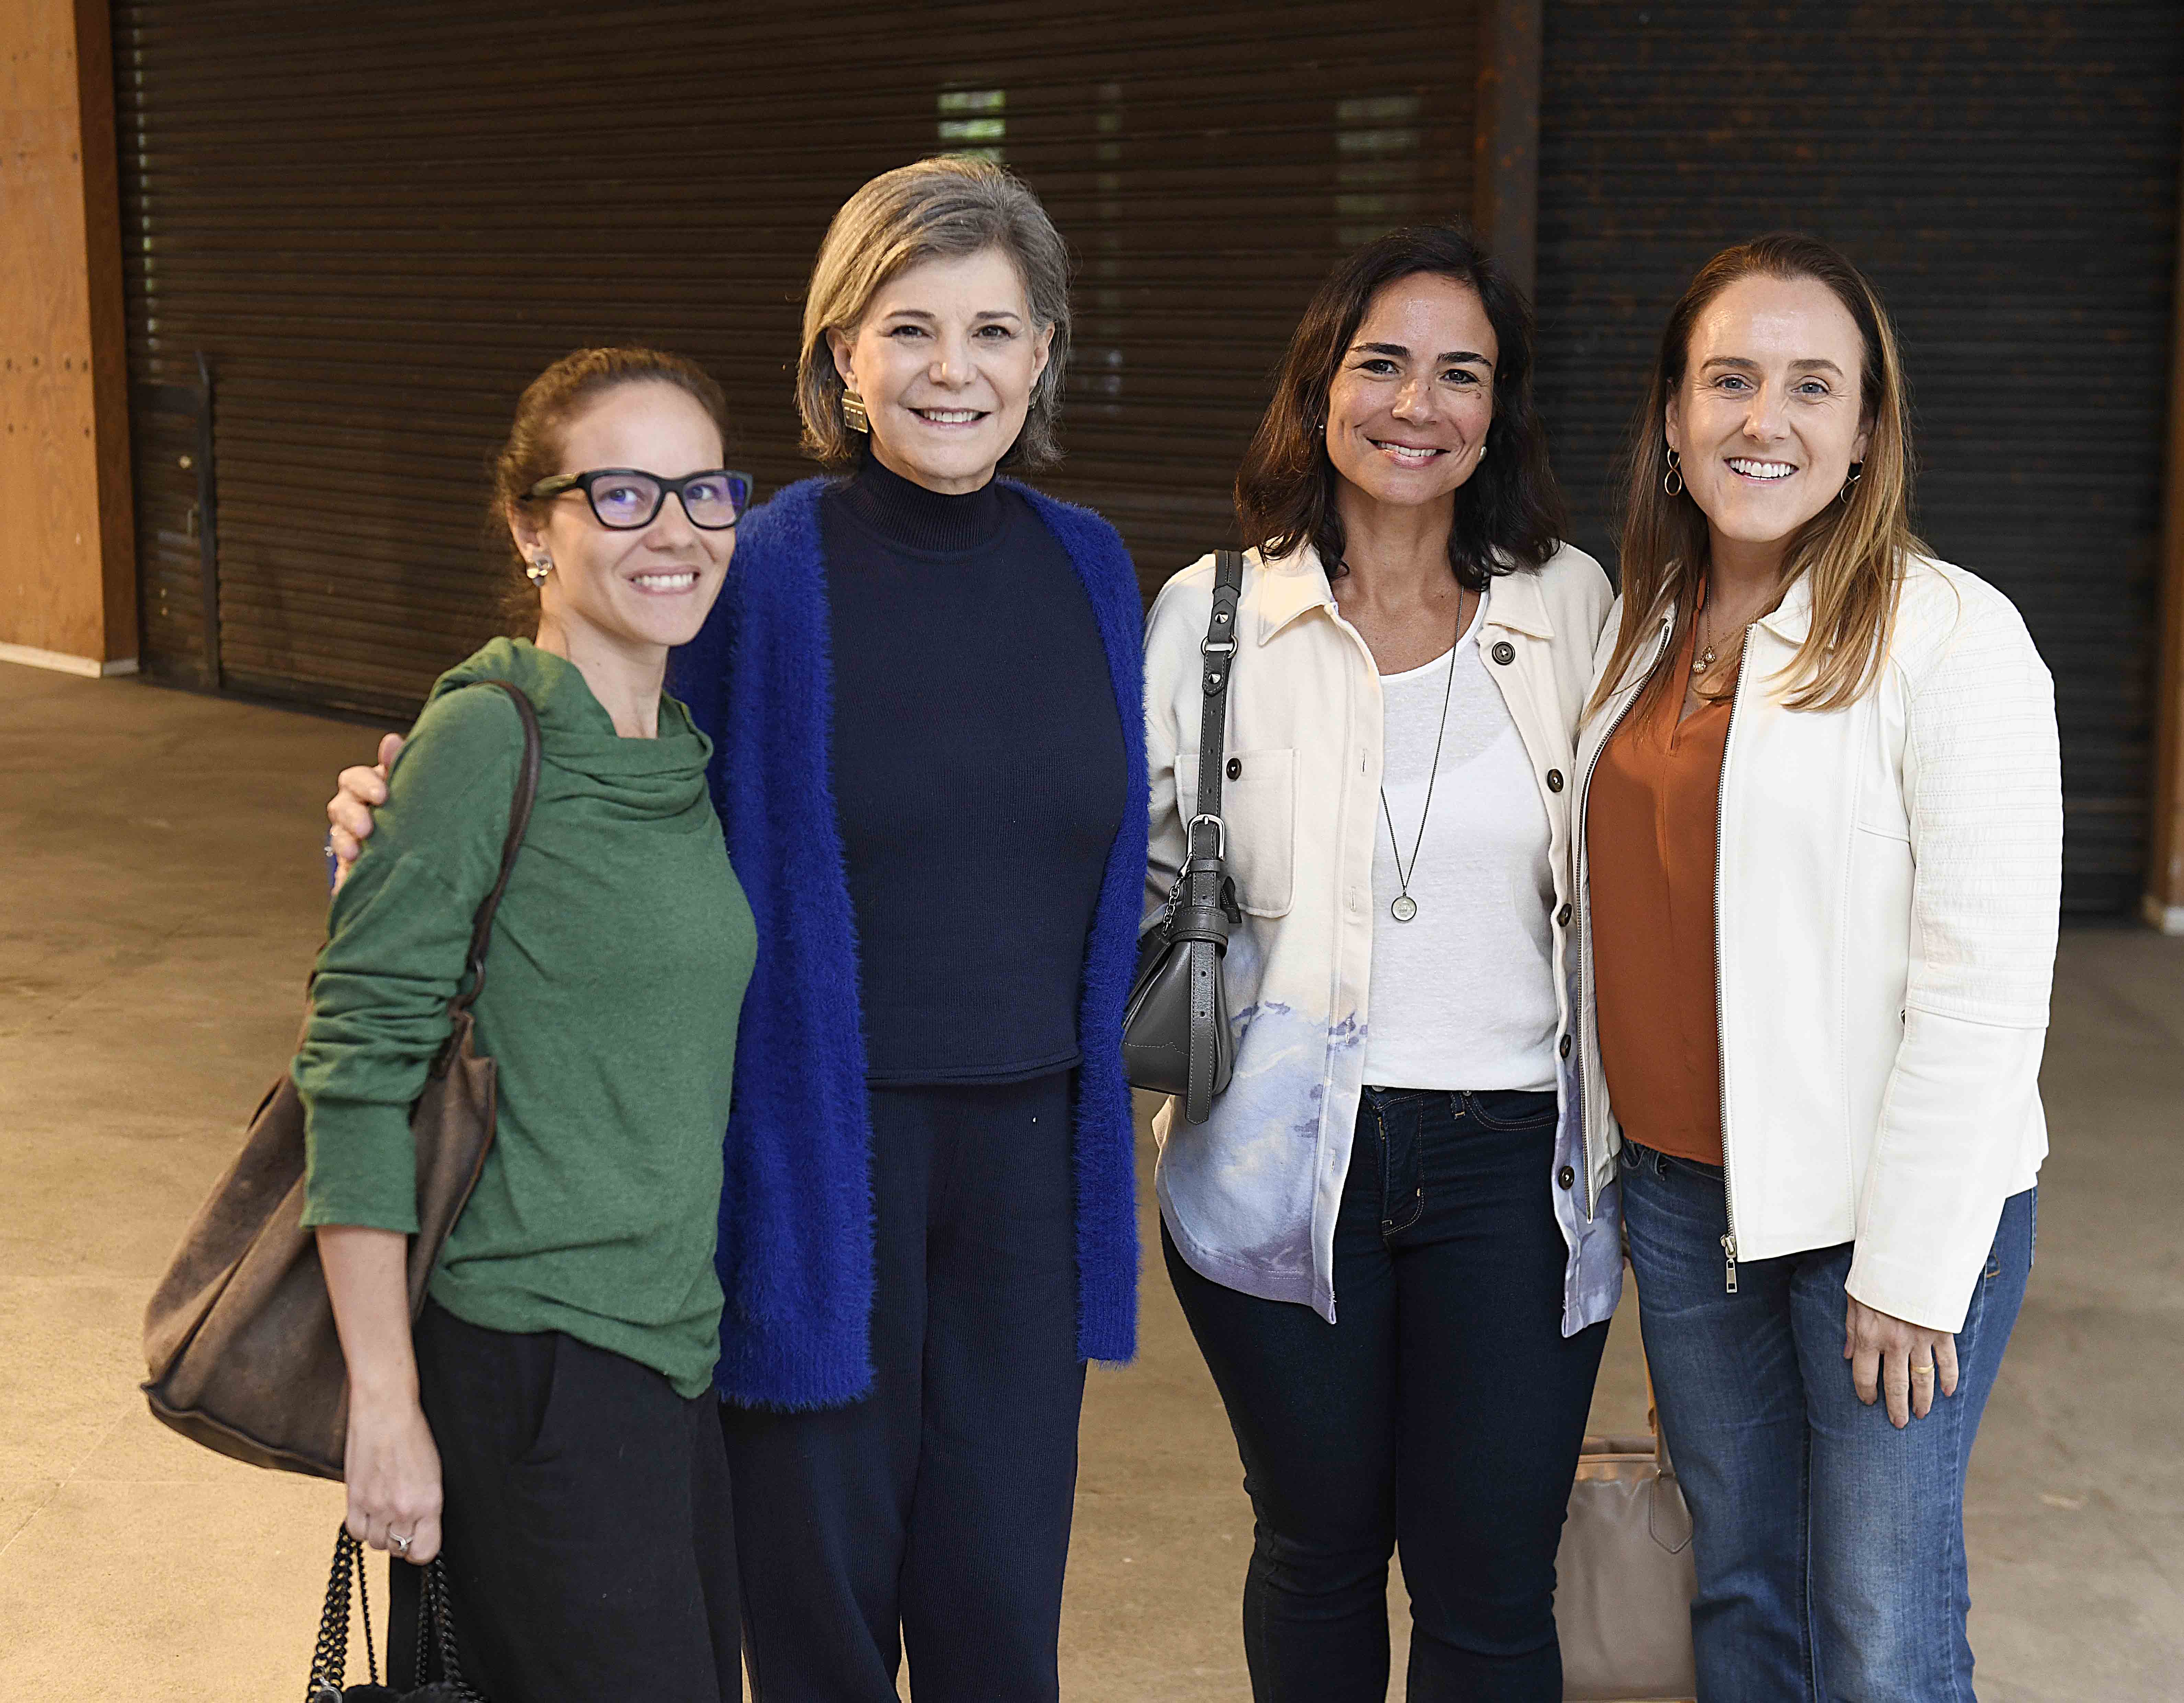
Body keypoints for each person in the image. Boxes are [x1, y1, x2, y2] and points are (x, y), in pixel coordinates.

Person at [328, 156, 1147, 1703]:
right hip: (813, 1159)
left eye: (993, 329)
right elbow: (601, 757)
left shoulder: (1089, 564)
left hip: (1034, 1165)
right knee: (819, 1608)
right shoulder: (762, 563)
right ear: (841, 355)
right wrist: (392, 810)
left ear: (1044, 351)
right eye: (908, 328)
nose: (952, 370)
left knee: (1001, 1608)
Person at [1573, 232, 2061, 1701]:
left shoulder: (1950, 636)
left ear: (1863, 434)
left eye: (1809, 386)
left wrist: (1915, 1268)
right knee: (1737, 1586)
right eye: (1727, 379)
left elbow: (1982, 987)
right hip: (1682, 1200)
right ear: (1671, 418)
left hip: (1877, 1213)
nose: (1761, 420)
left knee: (1877, 1624)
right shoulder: (1638, 625)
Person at [1142, 226, 1621, 1702]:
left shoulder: (1569, 608)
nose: (1418, 404)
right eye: (1384, 363)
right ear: (1321, 385)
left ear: (1498, 410)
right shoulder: (1214, 614)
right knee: (1318, 1547)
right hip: (1279, 1149)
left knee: (1487, 1582)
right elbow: (1135, 881)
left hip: (1517, 1161)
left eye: (1459, 373)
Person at [301, 346, 756, 1700]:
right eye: (621, 493)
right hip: (530, 1355)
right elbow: (358, 1070)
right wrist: (383, 1406)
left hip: (671, 1356)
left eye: (703, 489)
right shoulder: (489, 737)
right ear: (531, 527)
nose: (673, 528)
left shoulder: (675, 745)